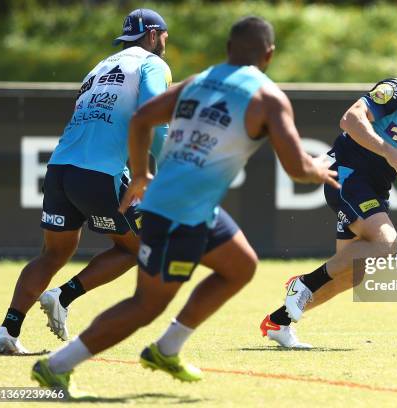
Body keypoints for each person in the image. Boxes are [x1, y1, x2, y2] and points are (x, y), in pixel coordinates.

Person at [31, 15, 339, 391]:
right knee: (146, 305)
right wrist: (319, 168)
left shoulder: (198, 81)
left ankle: (168, 347)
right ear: (269, 54)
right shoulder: (268, 98)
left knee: (241, 265)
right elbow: (297, 168)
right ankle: (57, 365)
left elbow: (142, 119)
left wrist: (142, 174)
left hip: (188, 204)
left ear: (228, 49)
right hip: (180, 213)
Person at [0, 8, 172, 354]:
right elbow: (154, 116)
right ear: (152, 35)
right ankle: (63, 295)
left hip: (59, 169)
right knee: (137, 248)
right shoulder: (153, 64)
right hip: (98, 173)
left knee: (54, 253)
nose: (164, 44)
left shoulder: (99, 67)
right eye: (164, 37)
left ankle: (6, 330)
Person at [261, 38, 397, 348]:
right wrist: (390, 151)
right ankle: (303, 284)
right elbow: (350, 119)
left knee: (351, 274)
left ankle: (279, 322)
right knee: (387, 243)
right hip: (345, 174)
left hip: (375, 186)